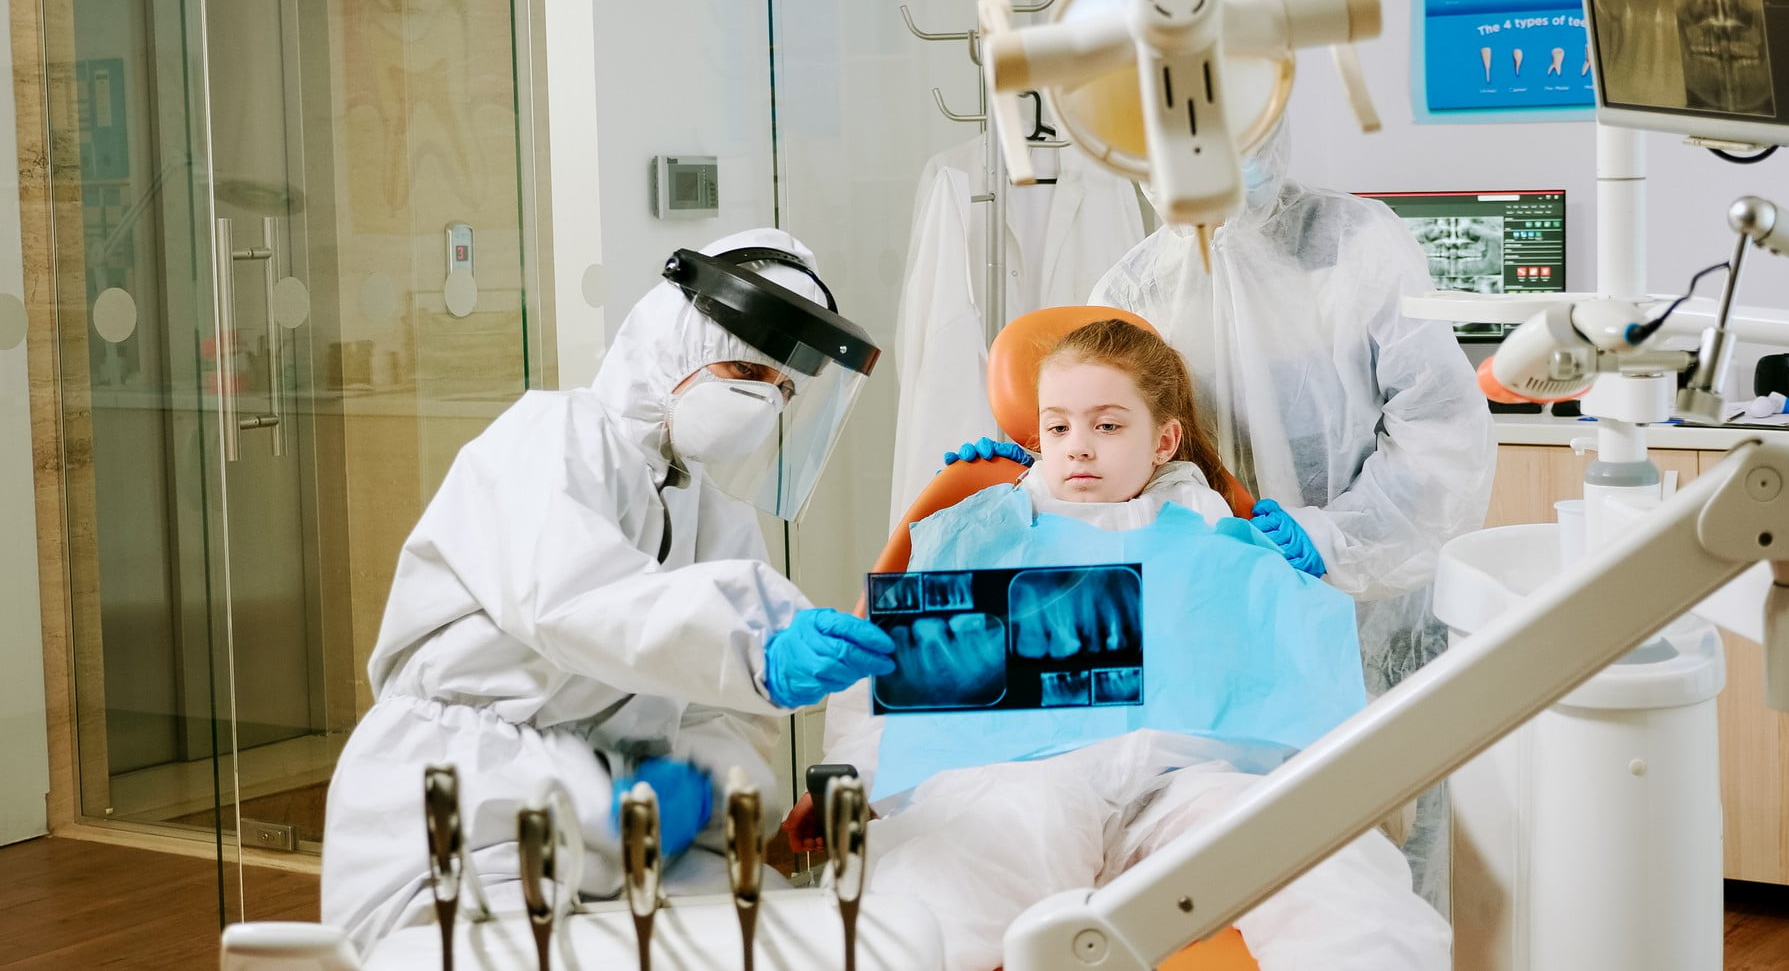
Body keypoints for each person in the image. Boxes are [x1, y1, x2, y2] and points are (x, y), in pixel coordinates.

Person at [322, 229, 897, 954]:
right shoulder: (553, 436)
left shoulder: (712, 507)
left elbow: (724, 711)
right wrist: (757, 641)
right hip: (477, 799)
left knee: (787, 942)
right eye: (745, 370)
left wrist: (702, 779)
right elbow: (576, 601)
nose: (763, 403)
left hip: (625, 817)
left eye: (783, 388)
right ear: (674, 341)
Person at [818, 318, 1451, 971]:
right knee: (935, 901)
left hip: (1187, 782)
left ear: (1164, 439)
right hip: (1027, 776)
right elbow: (896, 676)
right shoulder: (987, 525)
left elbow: (1289, 679)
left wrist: (1285, 579)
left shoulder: (1216, 532)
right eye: (1058, 427)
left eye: (1107, 425)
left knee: (1338, 879)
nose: (1079, 447)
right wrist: (850, 777)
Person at [1075, 123, 1499, 910]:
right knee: (1235, 870)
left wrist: (1334, 538)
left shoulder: (1357, 244)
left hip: (1366, 621)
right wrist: (1028, 469)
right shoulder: (1130, 293)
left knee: (1382, 872)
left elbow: (1442, 436)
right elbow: (1106, 453)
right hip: (1212, 636)